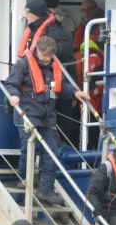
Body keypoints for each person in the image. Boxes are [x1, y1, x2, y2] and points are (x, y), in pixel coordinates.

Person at [5, 36, 89, 205]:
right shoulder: (22, 65)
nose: (46, 59)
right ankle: (24, 181)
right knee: (30, 148)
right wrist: (13, 95)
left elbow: (62, 87)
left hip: (48, 116)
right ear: (37, 50)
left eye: (50, 56)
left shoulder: (53, 66)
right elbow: (10, 84)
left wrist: (75, 92)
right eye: (44, 56)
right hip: (27, 113)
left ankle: (46, 190)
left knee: (52, 151)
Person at [20, 0, 81, 147]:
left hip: (55, 82)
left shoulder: (53, 30)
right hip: (40, 87)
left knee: (63, 124)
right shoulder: (34, 28)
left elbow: (66, 48)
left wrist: (45, 55)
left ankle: (65, 152)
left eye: (28, 12)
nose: (26, 16)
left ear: (36, 14)